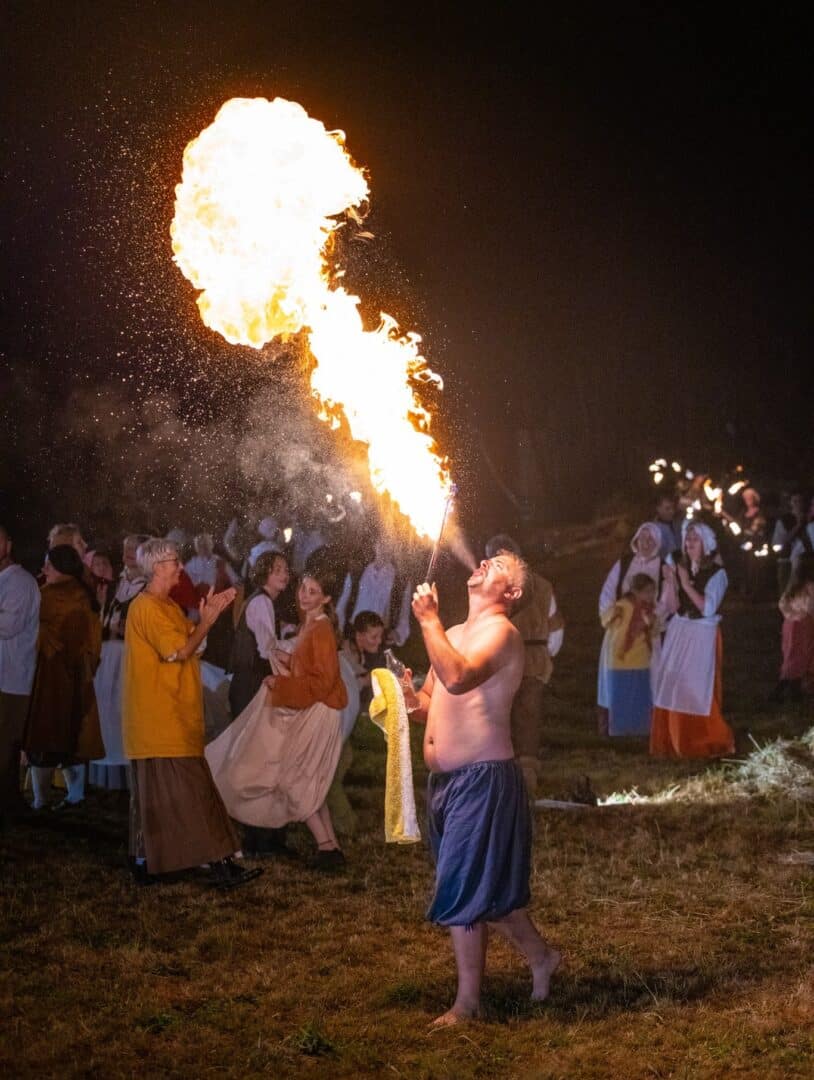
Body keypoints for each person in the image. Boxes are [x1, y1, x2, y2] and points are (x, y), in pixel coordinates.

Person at [401, 551, 561, 1027]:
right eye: (487, 559)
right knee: (487, 891)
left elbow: (458, 676)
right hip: (446, 783)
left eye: (499, 566)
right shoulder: (452, 634)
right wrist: (408, 699)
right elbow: (433, 700)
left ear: (512, 592)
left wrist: (427, 620)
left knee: (464, 886)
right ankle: (542, 957)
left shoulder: (502, 634)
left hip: (482, 779)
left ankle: (467, 1004)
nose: (486, 563)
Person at [122, 538, 259, 889]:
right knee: (190, 794)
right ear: (157, 568)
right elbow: (179, 651)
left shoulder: (166, 606)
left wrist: (204, 619)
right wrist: (207, 622)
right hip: (159, 720)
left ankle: (153, 864)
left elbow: (193, 646)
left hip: (173, 718)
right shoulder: (146, 608)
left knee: (170, 795)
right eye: (174, 561)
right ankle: (218, 865)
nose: (181, 566)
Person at [206, 558, 349, 871]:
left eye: (313, 592)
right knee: (308, 780)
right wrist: (288, 662)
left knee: (295, 779)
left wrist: (281, 684)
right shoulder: (310, 625)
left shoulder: (320, 628)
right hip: (314, 708)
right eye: (303, 588)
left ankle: (326, 848)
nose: (304, 595)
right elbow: (309, 666)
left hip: (319, 711)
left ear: (326, 598)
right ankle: (330, 847)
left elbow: (323, 681)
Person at [23, 545, 104, 810]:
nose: (44, 569)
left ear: (60, 567)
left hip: (49, 678)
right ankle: (75, 795)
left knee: (44, 735)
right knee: (73, 735)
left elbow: (30, 630)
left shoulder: (47, 595)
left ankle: (40, 800)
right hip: (78, 677)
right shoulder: (85, 594)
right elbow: (94, 640)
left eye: (48, 565)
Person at [484, 534, 564, 797]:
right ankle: (503, 774)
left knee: (527, 716)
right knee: (502, 716)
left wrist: (542, 655)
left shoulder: (541, 587)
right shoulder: (486, 588)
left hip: (528, 660)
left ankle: (526, 776)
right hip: (500, 662)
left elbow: (555, 627)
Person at [225, 549, 292, 856]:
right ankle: (257, 835)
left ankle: (261, 832)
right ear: (264, 572)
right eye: (278, 569)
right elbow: (267, 648)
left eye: (286, 569)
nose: (285, 574)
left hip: (250, 683)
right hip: (251, 684)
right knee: (258, 756)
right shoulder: (261, 603)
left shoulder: (265, 603)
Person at [650, 522, 735, 758]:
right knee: (674, 682)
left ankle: (701, 739)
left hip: (702, 634)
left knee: (696, 687)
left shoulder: (718, 574)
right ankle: (673, 740)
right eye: (687, 539)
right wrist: (671, 582)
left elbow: (707, 608)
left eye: (695, 539)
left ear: (706, 544)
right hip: (680, 631)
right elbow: (674, 606)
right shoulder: (681, 568)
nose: (689, 544)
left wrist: (686, 584)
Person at [88, 533, 149, 792]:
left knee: (126, 713)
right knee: (106, 713)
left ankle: (129, 778)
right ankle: (105, 777)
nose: (128, 553)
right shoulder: (115, 585)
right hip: (108, 657)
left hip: (129, 657)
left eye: (134, 549)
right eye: (126, 548)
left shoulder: (147, 588)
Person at [597, 523, 665, 735]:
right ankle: (618, 721)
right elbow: (608, 591)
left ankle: (645, 722)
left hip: (647, 631)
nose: (646, 543)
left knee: (648, 676)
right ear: (636, 540)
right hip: (621, 630)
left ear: (657, 542)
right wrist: (613, 616)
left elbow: (667, 598)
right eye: (642, 538)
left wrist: (653, 618)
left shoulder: (663, 567)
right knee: (618, 677)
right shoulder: (625, 563)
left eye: (650, 539)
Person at [0, 524, 41, 824]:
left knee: (6, 745)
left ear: (9, 545)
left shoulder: (21, 583)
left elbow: (8, 626)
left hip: (12, 678)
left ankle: (9, 804)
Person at [599, 573, 660, 736]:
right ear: (636, 591)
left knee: (639, 697)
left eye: (653, 592)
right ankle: (620, 730)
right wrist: (614, 614)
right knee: (622, 697)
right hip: (621, 660)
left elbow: (654, 631)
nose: (651, 596)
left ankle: (640, 729)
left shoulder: (649, 610)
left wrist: (650, 623)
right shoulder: (623, 606)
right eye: (647, 592)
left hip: (641, 660)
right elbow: (606, 621)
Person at [335, 538, 412, 647]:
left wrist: (397, 634)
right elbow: (340, 608)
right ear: (375, 544)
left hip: (378, 642)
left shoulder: (401, 582)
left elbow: (404, 620)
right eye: (383, 543)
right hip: (351, 635)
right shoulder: (356, 572)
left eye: (391, 545)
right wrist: (339, 633)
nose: (385, 549)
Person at [769, 556, 814, 704]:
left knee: (792, 656)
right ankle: (780, 691)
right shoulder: (809, 588)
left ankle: (795, 692)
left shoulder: (794, 588)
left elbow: (783, 603)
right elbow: (811, 608)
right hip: (803, 626)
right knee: (799, 657)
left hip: (790, 624)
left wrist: (790, 616)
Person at [340, 610, 386, 713]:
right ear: (359, 635)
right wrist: (364, 681)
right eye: (374, 637)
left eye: (380, 636)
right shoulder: (344, 656)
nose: (379, 641)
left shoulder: (367, 655)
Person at [771, 490, 810, 597]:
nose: (798, 504)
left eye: (800, 501)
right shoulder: (784, 520)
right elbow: (781, 541)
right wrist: (798, 526)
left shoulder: (809, 519)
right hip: (787, 562)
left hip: (806, 561)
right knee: (787, 594)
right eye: (795, 501)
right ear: (791, 503)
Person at [652, 493, 682, 559]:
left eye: (673, 508)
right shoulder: (653, 530)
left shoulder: (677, 524)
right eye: (667, 508)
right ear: (658, 509)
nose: (672, 511)